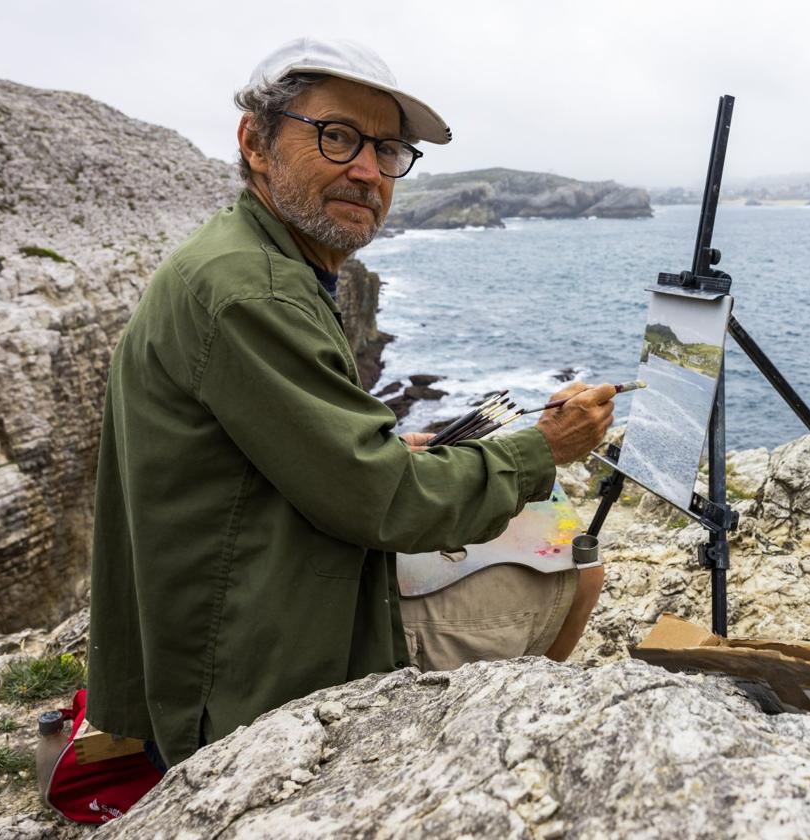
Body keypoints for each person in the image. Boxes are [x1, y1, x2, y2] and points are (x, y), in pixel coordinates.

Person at [86, 37, 615, 769]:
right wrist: (545, 449)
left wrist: (390, 447)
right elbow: (384, 503)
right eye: (337, 136)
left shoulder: (250, 256)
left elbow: (289, 452)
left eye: (389, 149)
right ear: (256, 143)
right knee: (576, 567)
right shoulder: (256, 291)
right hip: (249, 672)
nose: (368, 171)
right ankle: (450, 765)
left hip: (229, 611)